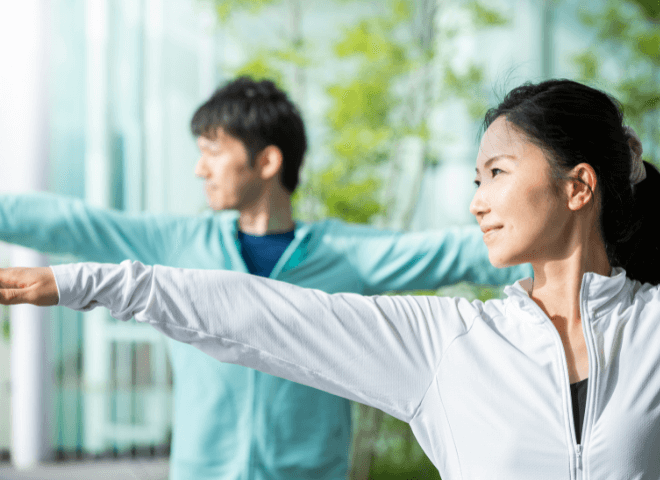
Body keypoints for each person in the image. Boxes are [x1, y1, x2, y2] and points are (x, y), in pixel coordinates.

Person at [0, 76, 531, 479]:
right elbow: (74, 223)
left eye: (213, 151)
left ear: (267, 161)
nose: (199, 168)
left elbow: (459, 251)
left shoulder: (345, 254)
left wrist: (588, 232)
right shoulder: (178, 243)